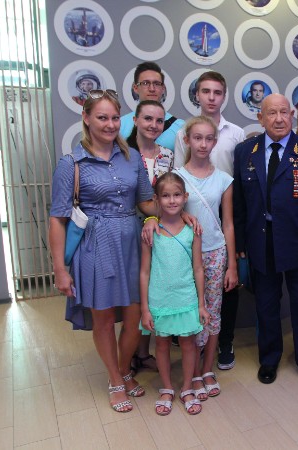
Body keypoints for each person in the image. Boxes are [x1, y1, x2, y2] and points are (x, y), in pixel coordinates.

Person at [49, 89, 155, 413]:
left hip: (132, 245)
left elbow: (146, 202)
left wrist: (173, 214)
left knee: (135, 318)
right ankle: (116, 379)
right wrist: (60, 269)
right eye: (102, 118)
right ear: (86, 118)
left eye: (114, 118)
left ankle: (124, 369)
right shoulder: (71, 164)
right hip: (95, 247)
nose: (110, 124)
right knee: (105, 320)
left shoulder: (132, 157)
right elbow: (57, 219)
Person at [233, 93, 298, 389]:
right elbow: (239, 203)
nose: (278, 119)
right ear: (260, 118)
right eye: (271, 113)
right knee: (266, 304)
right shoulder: (245, 151)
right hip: (261, 241)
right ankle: (269, 358)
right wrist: (240, 243)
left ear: (292, 115)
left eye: (284, 112)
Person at [174, 71, 246, 371]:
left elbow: (240, 178)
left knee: (224, 291)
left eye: (217, 92)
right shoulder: (183, 133)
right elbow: (175, 185)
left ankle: (222, 343)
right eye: (206, 91)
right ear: (198, 95)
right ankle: (192, 349)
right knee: (190, 294)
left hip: (224, 210)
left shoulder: (236, 133)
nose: (212, 97)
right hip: (191, 219)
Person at [176, 116, 238, 401]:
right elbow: (166, 213)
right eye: (197, 138)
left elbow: (228, 224)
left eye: (209, 138)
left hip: (215, 253)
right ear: (187, 140)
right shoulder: (177, 176)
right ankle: (190, 370)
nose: (203, 144)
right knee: (190, 312)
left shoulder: (224, 179)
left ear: (215, 142)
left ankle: (207, 368)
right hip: (184, 254)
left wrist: (232, 265)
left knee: (213, 312)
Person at [139, 172, 210, 416]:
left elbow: (198, 268)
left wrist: (201, 304)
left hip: (186, 298)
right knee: (161, 344)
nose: (172, 200)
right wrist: (145, 308)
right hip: (159, 300)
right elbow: (144, 272)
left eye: (177, 195)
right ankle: (167, 387)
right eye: (166, 196)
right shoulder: (150, 231)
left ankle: (187, 387)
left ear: (185, 197)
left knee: (188, 344)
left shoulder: (193, 230)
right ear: (156, 199)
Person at [126, 99, 175, 373]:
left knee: (150, 291)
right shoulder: (122, 153)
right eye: (147, 119)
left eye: (159, 120)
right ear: (135, 120)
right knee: (132, 295)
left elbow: (172, 193)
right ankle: (128, 354)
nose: (153, 125)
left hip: (159, 231)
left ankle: (144, 353)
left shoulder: (168, 155)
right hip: (128, 229)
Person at [120, 62, 184, 151]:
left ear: (163, 88)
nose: (152, 89)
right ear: (135, 88)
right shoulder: (120, 124)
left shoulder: (180, 127)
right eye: (145, 83)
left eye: (157, 84)